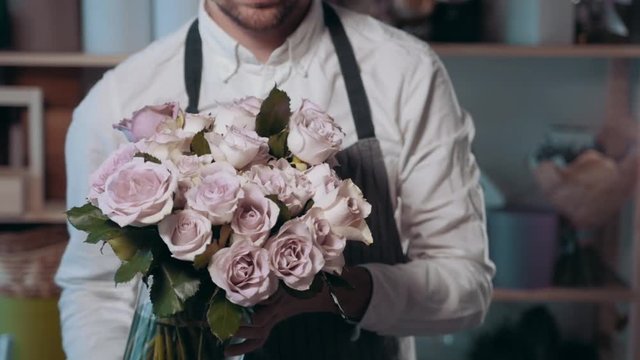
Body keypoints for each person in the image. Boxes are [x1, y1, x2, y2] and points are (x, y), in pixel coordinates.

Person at [55, 0, 495, 359]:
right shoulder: (121, 97)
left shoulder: (406, 72)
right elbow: (96, 292)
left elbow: (465, 283)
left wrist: (329, 293)